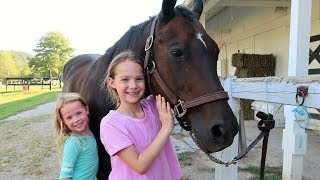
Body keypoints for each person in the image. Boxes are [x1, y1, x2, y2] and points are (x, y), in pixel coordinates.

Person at [100, 50, 182, 179]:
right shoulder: (111, 123)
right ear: (112, 82)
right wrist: (166, 128)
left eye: (139, 79)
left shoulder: (153, 106)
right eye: (125, 79)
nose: (133, 86)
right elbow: (140, 166)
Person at [54, 93, 98, 180]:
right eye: (69, 117)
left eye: (79, 113)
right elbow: (65, 176)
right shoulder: (73, 143)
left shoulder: (90, 133)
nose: (76, 120)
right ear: (64, 121)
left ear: (86, 110)